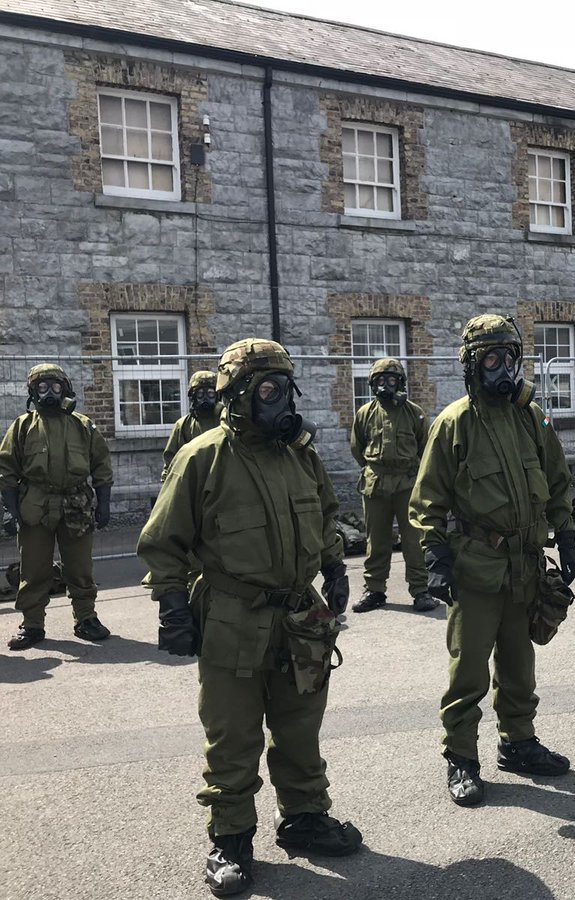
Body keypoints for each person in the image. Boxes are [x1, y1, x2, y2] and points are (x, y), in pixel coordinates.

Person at [138, 338, 362, 897]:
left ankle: (305, 817)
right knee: (233, 737)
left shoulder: (300, 455)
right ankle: (231, 838)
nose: (277, 399)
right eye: (265, 388)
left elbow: (328, 514)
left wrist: (334, 567)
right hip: (232, 618)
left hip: (300, 616)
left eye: (283, 387)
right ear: (236, 394)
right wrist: (171, 605)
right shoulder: (202, 457)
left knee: (299, 727)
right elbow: (163, 540)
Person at [410, 314, 575, 807]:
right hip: (475, 568)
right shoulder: (454, 423)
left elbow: (559, 477)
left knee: (519, 662)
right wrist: (435, 557)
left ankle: (519, 743)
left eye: (508, 357)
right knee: (469, 672)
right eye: (490, 358)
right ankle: (461, 758)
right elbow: (427, 501)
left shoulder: (533, 417)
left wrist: (565, 533)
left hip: (524, 565)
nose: (501, 368)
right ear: (471, 364)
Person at [0, 364, 112, 650]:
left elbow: (101, 466)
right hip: (35, 506)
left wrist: (104, 504)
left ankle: (86, 618)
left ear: (66, 389)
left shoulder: (83, 425)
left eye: (55, 387)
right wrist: (11, 511)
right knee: (34, 569)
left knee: (80, 567)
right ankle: (32, 624)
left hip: (76, 504)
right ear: (33, 392)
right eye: (42, 388)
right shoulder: (23, 426)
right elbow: (6, 470)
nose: (49, 393)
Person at [349, 357, 437, 613]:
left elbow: (425, 448)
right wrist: (375, 469)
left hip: (407, 484)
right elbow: (358, 449)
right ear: (372, 384)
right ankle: (375, 590)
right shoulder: (364, 414)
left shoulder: (415, 413)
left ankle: (421, 590)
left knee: (413, 540)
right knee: (376, 540)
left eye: (391, 380)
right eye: (380, 380)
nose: (386, 385)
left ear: (400, 382)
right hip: (375, 484)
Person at [161, 370, 222, 480]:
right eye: (200, 394)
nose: (205, 398)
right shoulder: (183, 425)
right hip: (193, 480)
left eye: (210, 393)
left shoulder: (225, 421)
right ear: (193, 397)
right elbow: (171, 460)